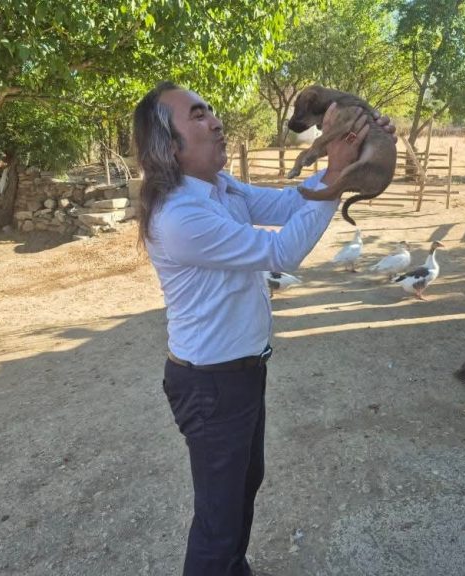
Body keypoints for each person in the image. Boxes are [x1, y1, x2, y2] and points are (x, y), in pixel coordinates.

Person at [132, 81, 396, 576]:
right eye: (198, 116)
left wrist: (350, 155)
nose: (215, 121)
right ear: (169, 145)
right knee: (218, 521)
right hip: (211, 385)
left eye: (209, 109)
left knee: (242, 491)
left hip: (239, 374)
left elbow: (286, 206)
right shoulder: (181, 216)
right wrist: (338, 176)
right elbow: (281, 252)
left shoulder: (220, 187)